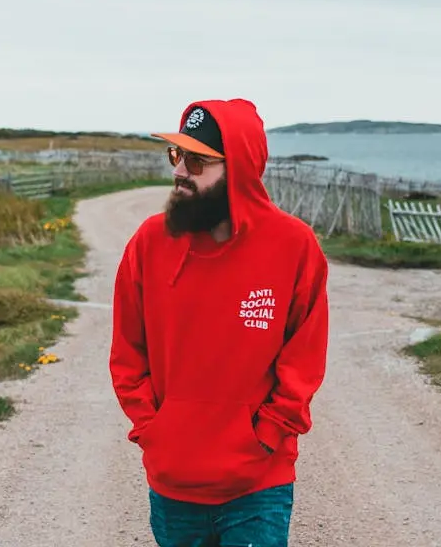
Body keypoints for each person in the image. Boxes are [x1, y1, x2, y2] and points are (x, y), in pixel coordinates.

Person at [109, 98, 330, 547]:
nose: (179, 171)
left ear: (241, 169)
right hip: (174, 486)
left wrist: (266, 434)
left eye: (197, 160)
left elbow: (304, 359)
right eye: (176, 155)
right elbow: (127, 354)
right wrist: (155, 432)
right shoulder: (149, 243)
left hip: (257, 488)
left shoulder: (294, 246)